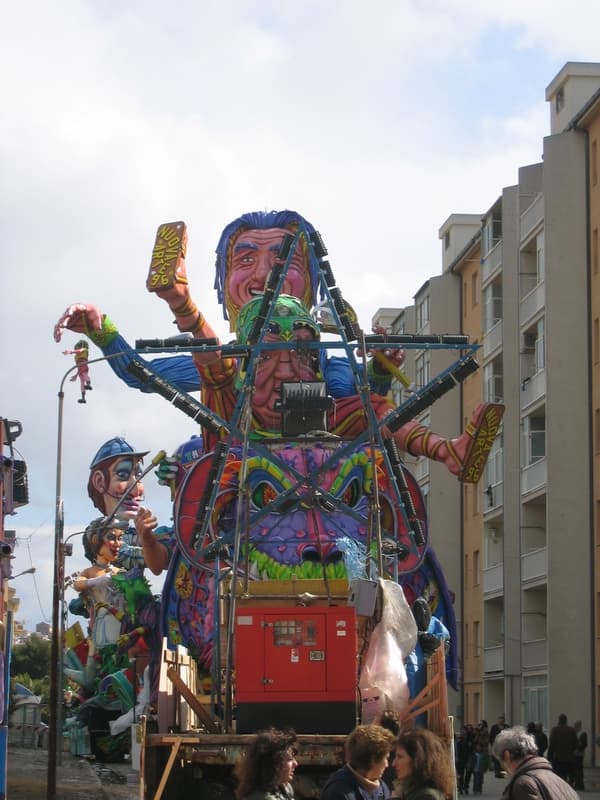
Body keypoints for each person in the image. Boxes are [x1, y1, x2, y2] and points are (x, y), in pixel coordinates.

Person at [53, 209, 500, 480]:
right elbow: (147, 374)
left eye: (283, 259)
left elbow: (366, 405)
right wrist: (105, 328)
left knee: (369, 406)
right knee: (219, 377)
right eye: (247, 259)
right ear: (225, 280)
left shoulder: (322, 360)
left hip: (322, 470)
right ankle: (179, 297)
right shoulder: (230, 363)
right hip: (238, 461)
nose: (266, 273)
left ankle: (449, 451)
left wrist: (379, 371)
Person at [493, 726, 578, 800]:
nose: (502, 767)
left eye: (500, 761)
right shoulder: (558, 780)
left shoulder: (523, 784)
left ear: (507, 756)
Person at [321, 724, 394, 800]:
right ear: (373, 760)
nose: (387, 765)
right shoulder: (338, 792)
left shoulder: (382, 788)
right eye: (386, 758)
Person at [233, 727, 298, 800]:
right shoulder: (262, 797)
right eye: (290, 759)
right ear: (275, 763)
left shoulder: (283, 788)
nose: (295, 764)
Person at [391, 727, 454, 800]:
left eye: (400, 757)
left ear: (417, 760)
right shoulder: (413, 790)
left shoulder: (426, 796)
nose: (393, 763)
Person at [548, 713, 578, 783]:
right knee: (569, 774)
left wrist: (550, 756)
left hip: (558, 757)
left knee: (559, 775)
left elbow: (552, 744)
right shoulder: (571, 730)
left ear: (559, 720)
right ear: (566, 720)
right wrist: (571, 751)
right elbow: (575, 743)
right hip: (569, 757)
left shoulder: (555, 730)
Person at [63, 338, 92, 403]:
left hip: (83, 363)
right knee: (82, 383)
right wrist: (75, 376)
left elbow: (79, 351)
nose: (77, 348)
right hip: (79, 367)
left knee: (85, 374)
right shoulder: (76, 357)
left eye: (77, 347)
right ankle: (83, 398)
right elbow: (78, 367)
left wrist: (70, 352)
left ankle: (88, 384)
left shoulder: (84, 349)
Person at [573, 720, 587, 790]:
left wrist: (578, 748)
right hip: (575, 754)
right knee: (576, 770)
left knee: (579, 770)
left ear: (579, 725)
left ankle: (580, 785)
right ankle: (577, 784)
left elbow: (584, 744)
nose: (574, 727)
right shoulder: (575, 732)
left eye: (575, 725)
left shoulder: (582, 733)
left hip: (579, 754)